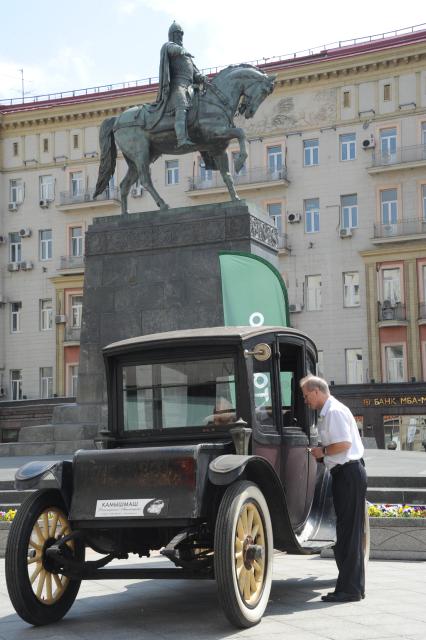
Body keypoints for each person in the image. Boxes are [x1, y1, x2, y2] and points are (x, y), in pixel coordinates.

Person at [300, 375, 367, 603]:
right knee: (349, 533)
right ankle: (354, 587)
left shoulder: (335, 411)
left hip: (348, 474)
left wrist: (322, 452)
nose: (306, 400)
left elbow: (344, 444)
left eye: (306, 395)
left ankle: (349, 590)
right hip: (346, 474)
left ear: (316, 392)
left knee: (348, 534)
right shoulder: (330, 412)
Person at [157, 21, 206, 149]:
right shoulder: (169, 46)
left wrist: (200, 77)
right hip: (177, 85)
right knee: (182, 105)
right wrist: (181, 50)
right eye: (177, 34)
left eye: (181, 35)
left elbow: (195, 72)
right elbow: (172, 49)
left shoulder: (187, 56)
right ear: (172, 35)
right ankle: (181, 139)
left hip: (190, 87)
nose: (180, 37)